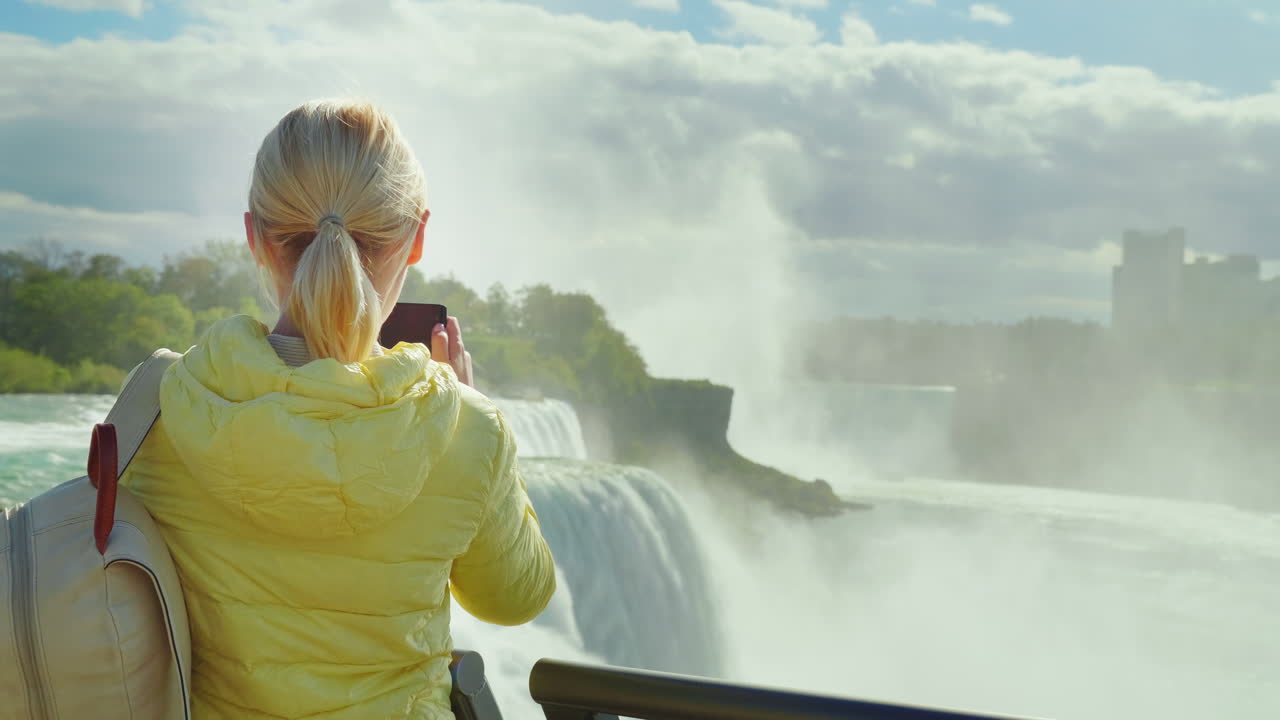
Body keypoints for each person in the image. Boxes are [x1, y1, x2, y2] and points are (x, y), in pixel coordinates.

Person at [122, 99, 556, 719]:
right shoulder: (463, 427)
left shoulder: (164, 407)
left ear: (255, 238)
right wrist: (469, 406)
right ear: (416, 239)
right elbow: (516, 598)